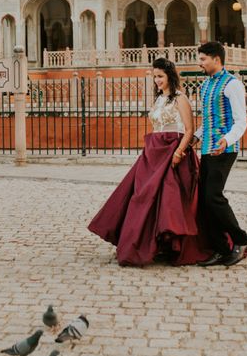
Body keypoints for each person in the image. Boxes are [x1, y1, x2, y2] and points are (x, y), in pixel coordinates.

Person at [88, 58, 213, 266]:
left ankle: (171, 245)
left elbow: (190, 129)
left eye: (160, 76)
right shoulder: (159, 99)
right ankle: (143, 243)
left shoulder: (180, 98)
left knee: (168, 201)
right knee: (141, 196)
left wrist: (178, 153)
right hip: (153, 152)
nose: (157, 80)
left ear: (170, 76)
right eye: (155, 76)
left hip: (173, 151)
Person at [194, 41, 247, 267]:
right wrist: (195, 137)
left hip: (224, 149)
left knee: (213, 197)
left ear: (216, 59)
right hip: (208, 147)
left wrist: (227, 139)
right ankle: (221, 249)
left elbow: (241, 122)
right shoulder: (206, 86)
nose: (200, 63)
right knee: (204, 200)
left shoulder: (232, 84)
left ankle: (242, 240)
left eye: (202, 59)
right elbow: (208, 119)